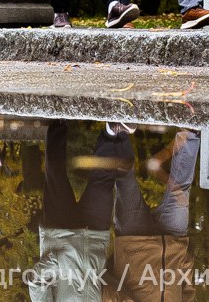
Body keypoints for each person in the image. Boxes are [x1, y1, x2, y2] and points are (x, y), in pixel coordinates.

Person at [27, 121, 129, 301]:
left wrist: (62, 262)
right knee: (103, 185)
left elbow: (36, 281)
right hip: (94, 240)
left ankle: (58, 121)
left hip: (59, 233)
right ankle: (111, 133)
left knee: (55, 174)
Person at [103, 129, 201, 301]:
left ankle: (118, 130)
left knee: (125, 181)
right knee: (181, 188)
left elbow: (105, 291)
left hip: (134, 241)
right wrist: (184, 259)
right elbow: (188, 291)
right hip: (172, 242)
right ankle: (189, 134)